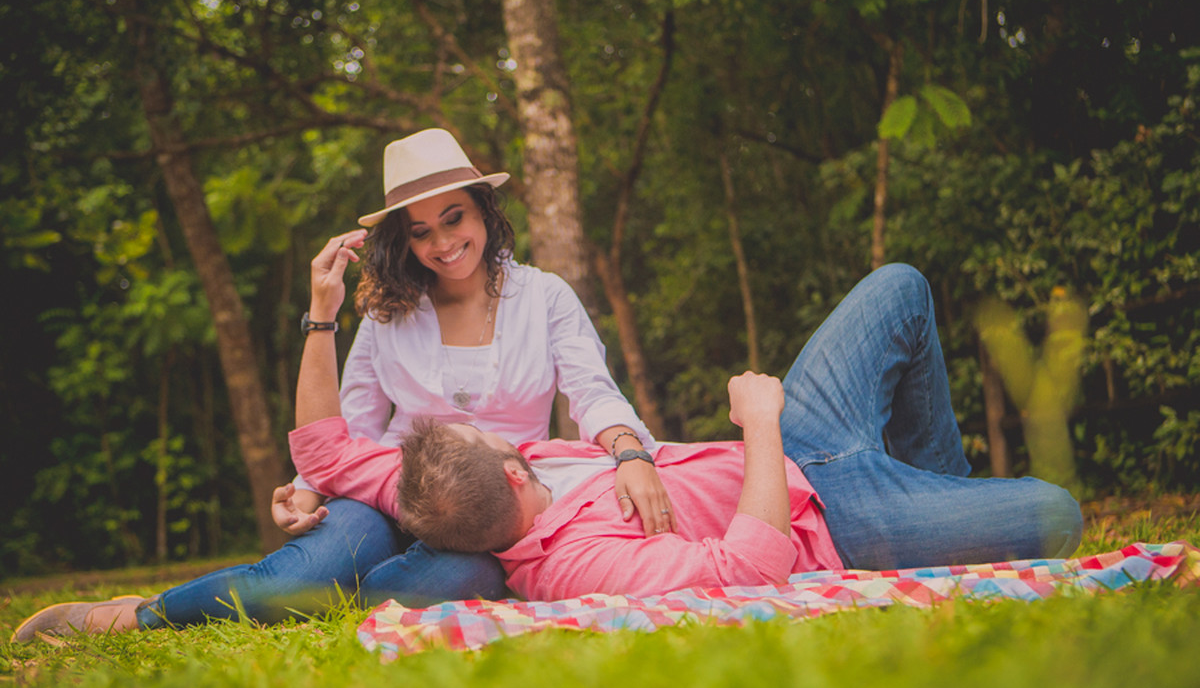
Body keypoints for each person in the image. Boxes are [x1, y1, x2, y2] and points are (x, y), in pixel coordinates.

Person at [12, 129, 665, 643]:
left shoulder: (543, 295)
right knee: (294, 580)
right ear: (402, 240)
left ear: (485, 212)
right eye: (420, 231)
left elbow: (593, 391)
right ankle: (138, 614)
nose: (443, 243)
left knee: (455, 577)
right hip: (384, 490)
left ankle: (337, 594)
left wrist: (630, 452)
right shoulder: (390, 312)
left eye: (454, 217)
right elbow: (347, 423)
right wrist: (304, 486)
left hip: (484, 509)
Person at [286, 263, 1084, 601]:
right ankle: (931, 497)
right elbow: (751, 565)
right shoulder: (575, 563)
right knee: (1055, 516)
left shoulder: (449, 480)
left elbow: (322, 448)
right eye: (501, 444)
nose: (511, 437)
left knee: (899, 288)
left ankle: (943, 478)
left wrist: (323, 312)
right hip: (838, 516)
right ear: (516, 480)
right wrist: (761, 421)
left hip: (806, 434)